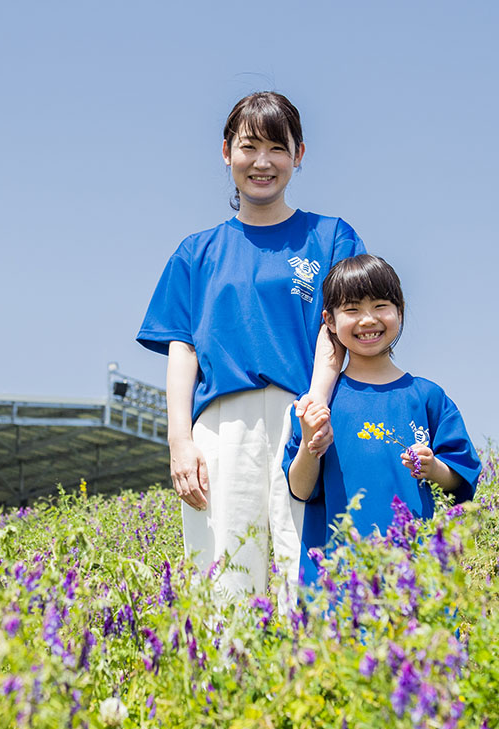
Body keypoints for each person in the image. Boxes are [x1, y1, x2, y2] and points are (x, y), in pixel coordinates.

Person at [137, 91, 365, 601]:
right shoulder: (196, 253)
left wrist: (317, 407)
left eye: (277, 148)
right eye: (249, 146)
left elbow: (340, 332)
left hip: (306, 415)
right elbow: (183, 350)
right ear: (226, 152)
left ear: (299, 154)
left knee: (304, 577)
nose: (262, 162)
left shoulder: (330, 238)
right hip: (220, 424)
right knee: (224, 582)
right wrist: (180, 440)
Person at [284, 254, 481, 584]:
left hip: (418, 572)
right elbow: (300, 489)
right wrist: (310, 444)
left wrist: (433, 469)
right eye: (351, 310)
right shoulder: (315, 405)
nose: (367, 320)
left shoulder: (427, 396)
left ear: (399, 311)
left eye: (380, 305)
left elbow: (459, 480)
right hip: (338, 578)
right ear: (329, 321)